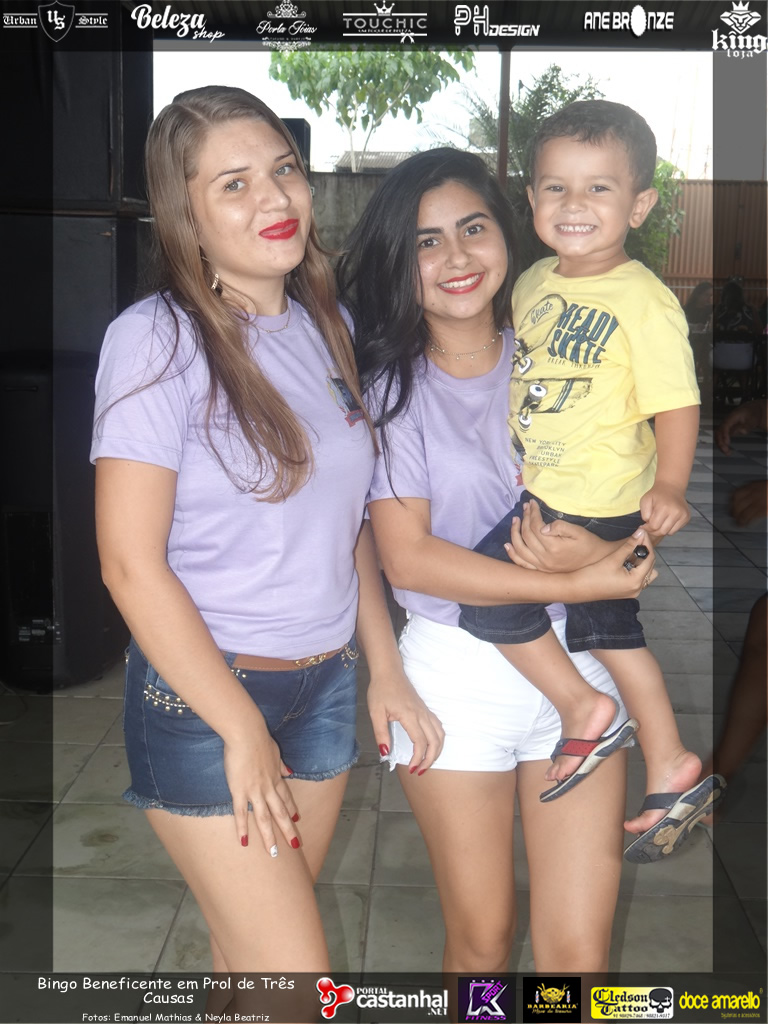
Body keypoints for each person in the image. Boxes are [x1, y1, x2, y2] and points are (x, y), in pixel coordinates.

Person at [91, 86, 442, 1011]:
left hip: (323, 690)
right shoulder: (155, 341)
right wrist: (239, 728)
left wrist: (385, 667)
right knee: (298, 988)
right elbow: (128, 564)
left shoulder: (331, 327)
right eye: (234, 184)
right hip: (206, 699)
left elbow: (349, 523)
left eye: (283, 169)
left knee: (243, 965)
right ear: (187, 215)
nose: (275, 198)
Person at [337, 147, 660, 976]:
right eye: (427, 241)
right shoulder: (392, 391)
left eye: (473, 228)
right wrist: (576, 578)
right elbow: (409, 560)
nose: (456, 257)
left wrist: (617, 553)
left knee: (576, 957)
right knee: (482, 942)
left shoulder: (570, 358)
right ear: (400, 261)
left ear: (507, 235)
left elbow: (636, 499)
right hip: (456, 687)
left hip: (584, 667)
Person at [455, 101, 723, 863]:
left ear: (638, 205)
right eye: (556, 188)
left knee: (487, 593)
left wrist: (672, 484)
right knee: (611, 632)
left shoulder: (645, 300)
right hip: (548, 487)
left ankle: (583, 708)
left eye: (599, 188)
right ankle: (670, 763)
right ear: (531, 199)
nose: (574, 204)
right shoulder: (534, 279)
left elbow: (677, 401)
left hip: (597, 499)